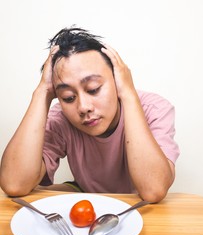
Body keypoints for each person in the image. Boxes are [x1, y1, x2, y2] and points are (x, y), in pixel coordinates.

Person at [0, 26, 180, 202]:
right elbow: (14, 184)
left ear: (117, 81)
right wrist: (42, 93)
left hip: (136, 201)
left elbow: (153, 190)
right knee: (33, 198)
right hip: (86, 194)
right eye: (68, 97)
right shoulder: (60, 119)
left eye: (93, 89)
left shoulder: (155, 109)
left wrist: (128, 94)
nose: (84, 107)